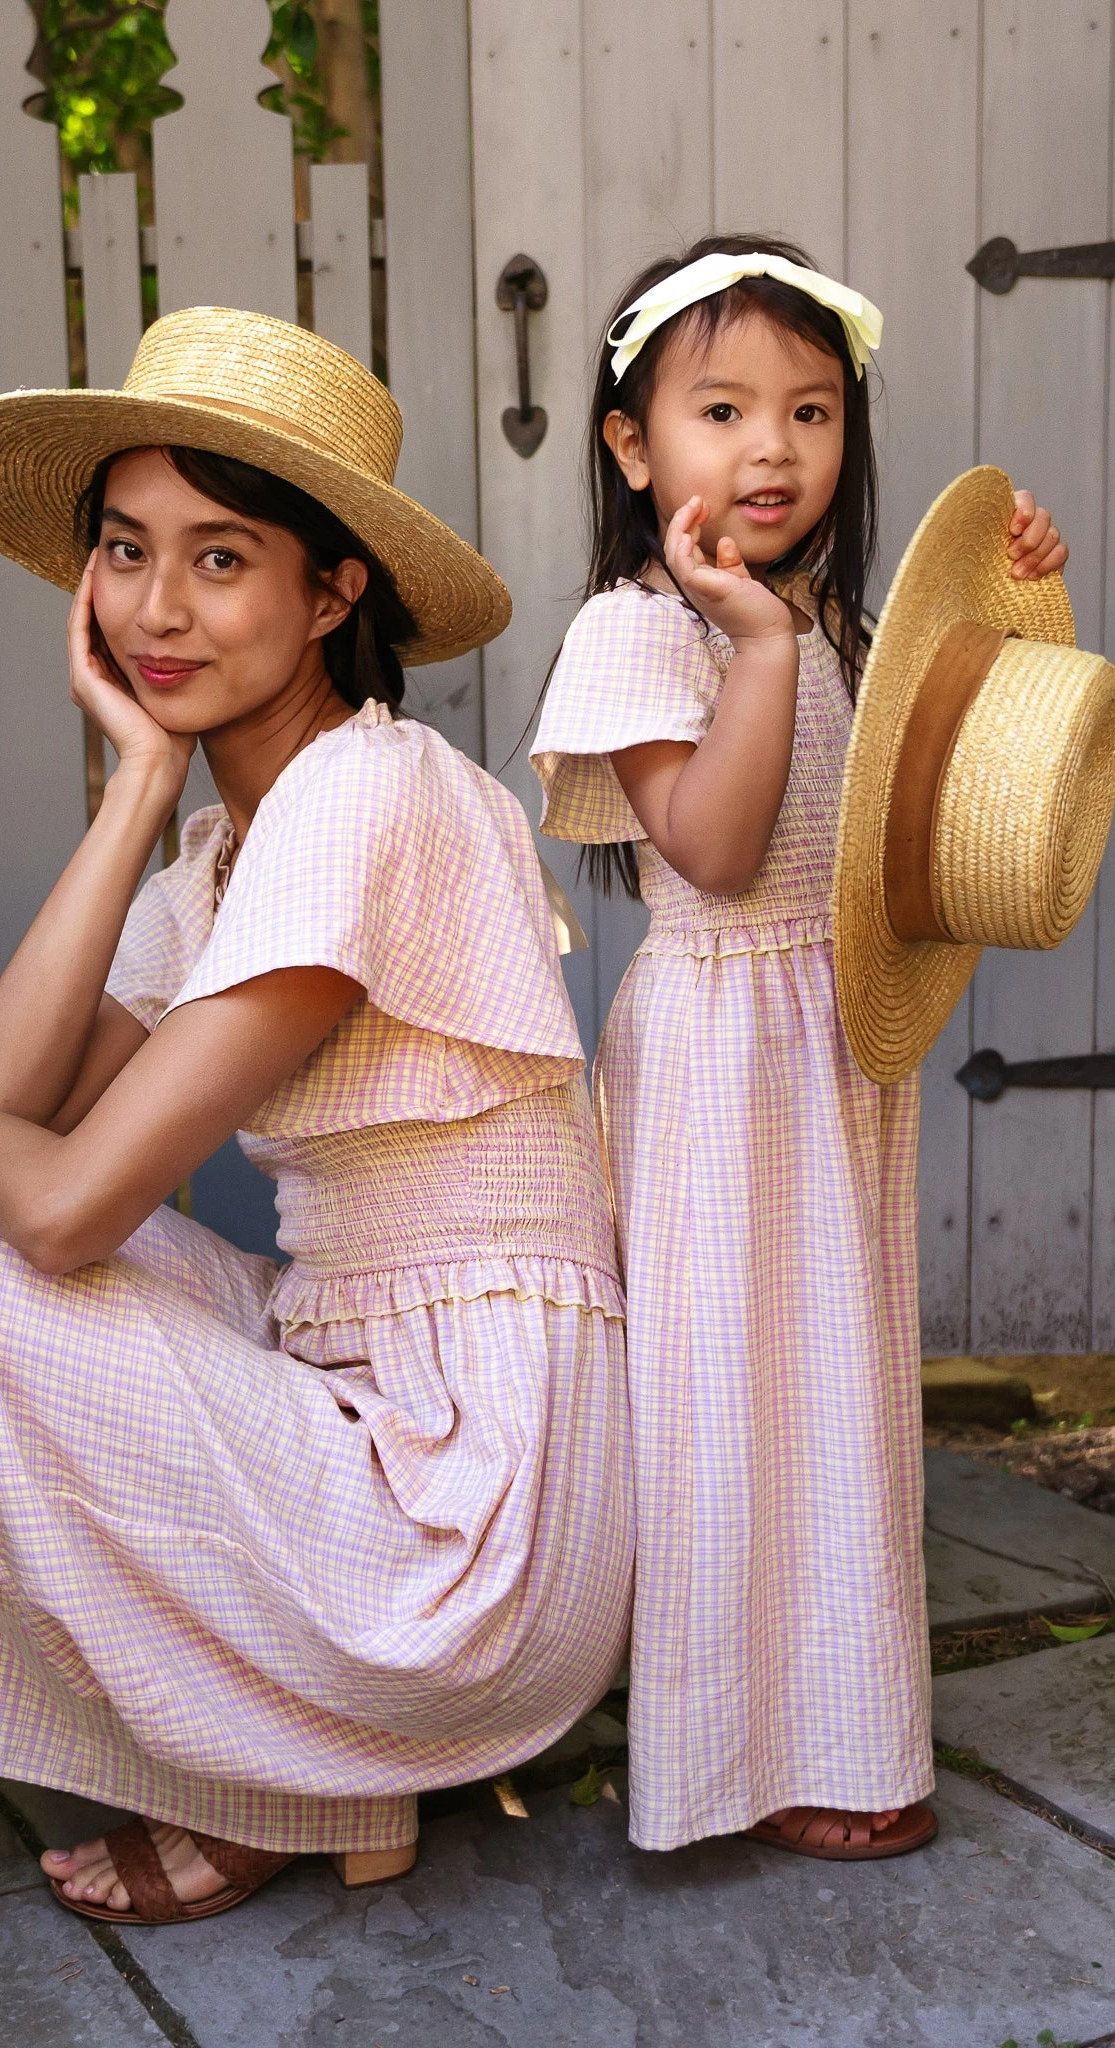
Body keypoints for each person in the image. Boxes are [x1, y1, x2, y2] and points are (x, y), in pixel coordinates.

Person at [0, 307, 632, 1925]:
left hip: (476, 1535)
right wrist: (134, 792)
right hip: (378, 1419)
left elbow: (63, 1201)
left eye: (222, 559)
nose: (157, 608)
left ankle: (261, 1775)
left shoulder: (369, 796)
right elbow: (8, 1117)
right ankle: (316, 1778)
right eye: (124, 550)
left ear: (334, 591)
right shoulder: (235, 852)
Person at [530, 234, 1067, 1861]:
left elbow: (960, 788)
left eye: (814, 411)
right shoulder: (643, 630)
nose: (774, 449)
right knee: (724, 1396)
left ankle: (846, 1728)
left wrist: (1020, 597)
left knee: (835, 1386)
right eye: (723, 409)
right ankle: (730, 1755)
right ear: (634, 444)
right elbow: (706, 842)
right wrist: (752, 643)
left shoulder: (837, 622)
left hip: (832, 1045)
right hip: (713, 1059)